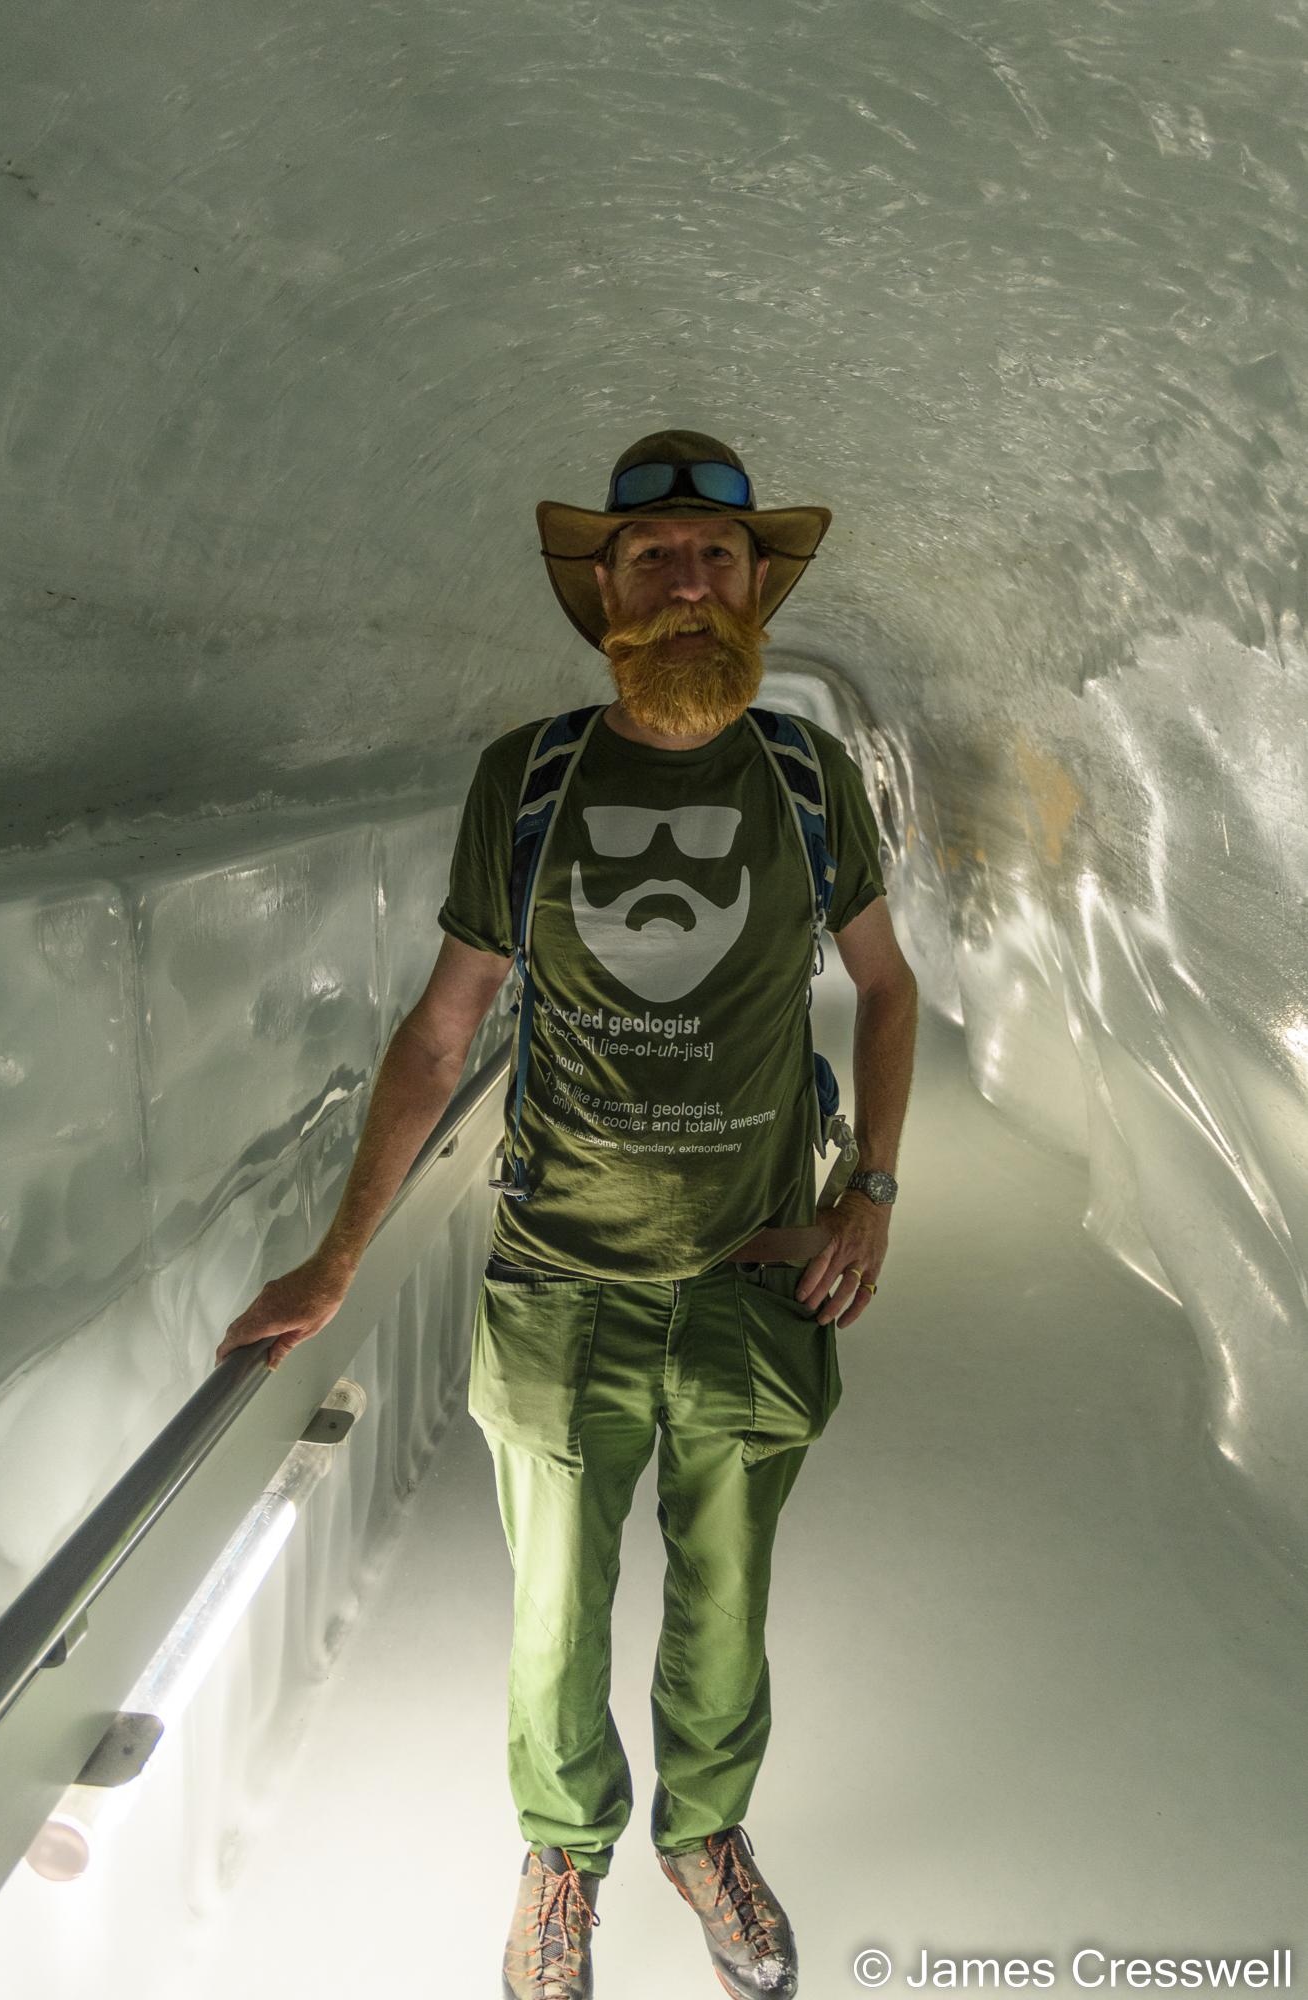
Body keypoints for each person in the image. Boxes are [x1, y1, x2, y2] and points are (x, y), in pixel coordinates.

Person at [219, 428, 918, 1999]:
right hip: (557, 1278)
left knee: (726, 1601)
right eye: (654, 557)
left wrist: (867, 1192)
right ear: (602, 590)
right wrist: (336, 1260)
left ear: (755, 590)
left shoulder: (806, 779)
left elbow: (884, 987)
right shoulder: (528, 779)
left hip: (753, 1274)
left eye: (717, 559)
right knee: (552, 1615)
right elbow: (440, 1029)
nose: (688, 581)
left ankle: (705, 1836)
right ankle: (561, 1859)